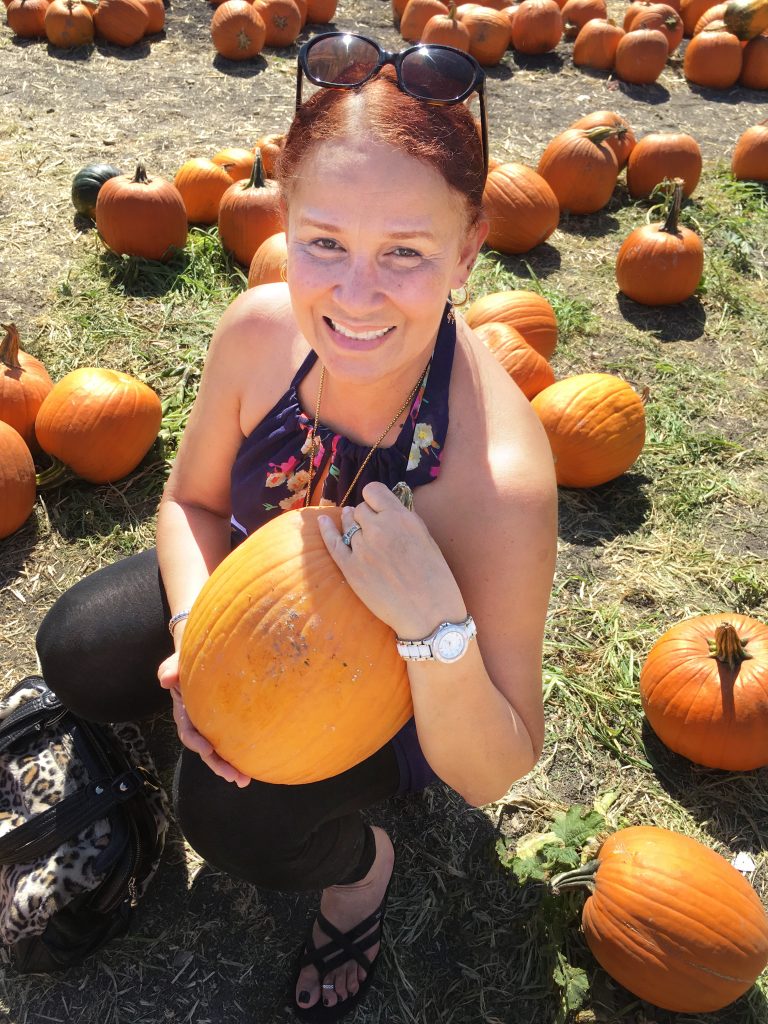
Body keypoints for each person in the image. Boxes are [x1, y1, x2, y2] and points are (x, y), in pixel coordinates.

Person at [35, 32, 557, 1023]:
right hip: (251, 592)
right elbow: (190, 503)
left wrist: (436, 629)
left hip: (394, 695)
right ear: (283, 218)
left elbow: (496, 762)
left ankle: (362, 865)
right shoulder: (261, 329)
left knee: (225, 809)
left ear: (469, 247)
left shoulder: (500, 479)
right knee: (77, 650)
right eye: (325, 241)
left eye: (404, 252)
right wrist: (202, 641)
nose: (354, 298)